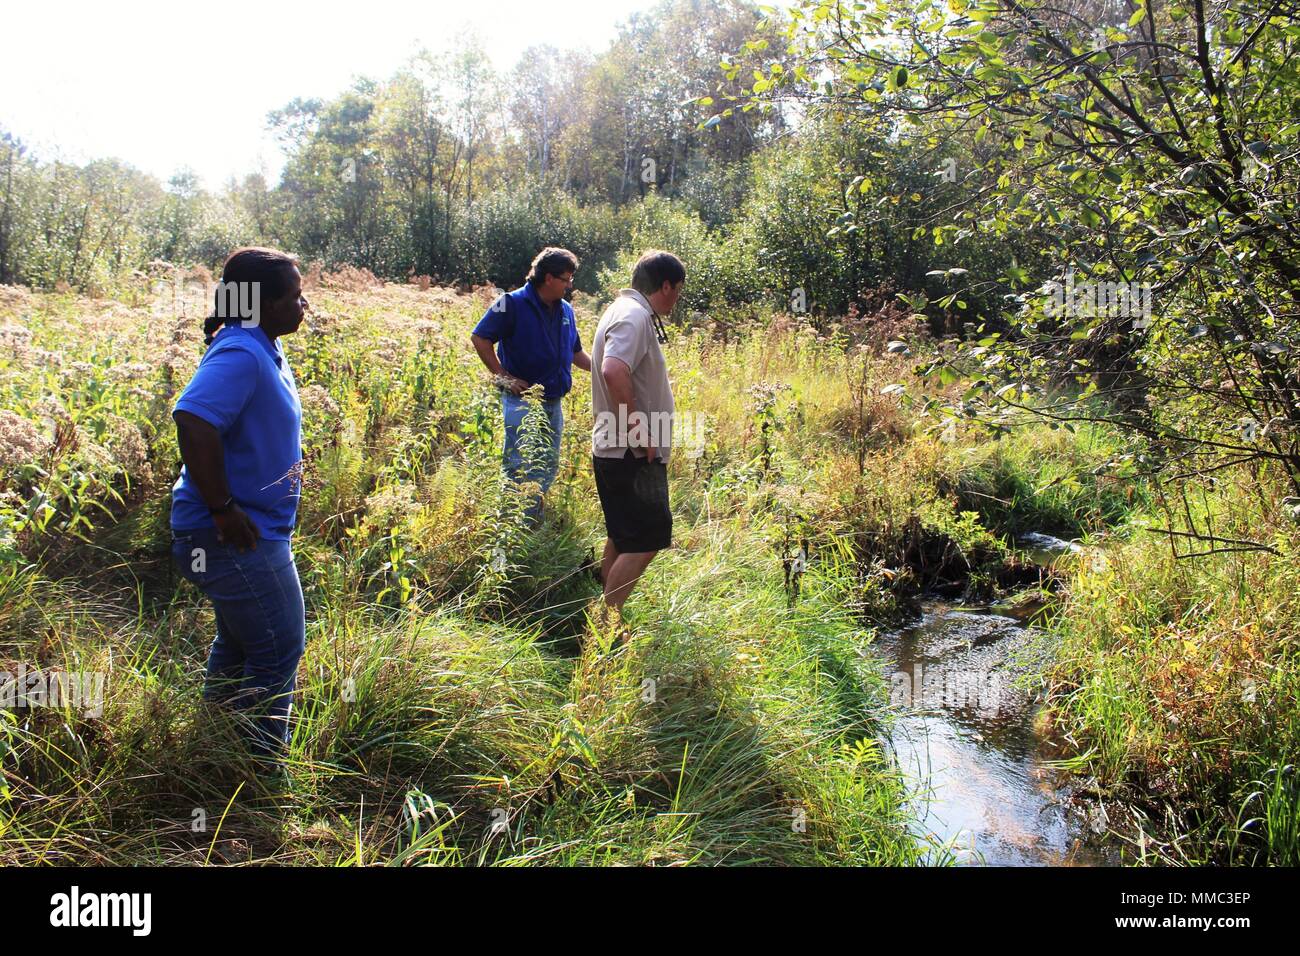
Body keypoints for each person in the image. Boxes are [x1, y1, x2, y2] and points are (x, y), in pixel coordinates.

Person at [169, 246, 308, 769]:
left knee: (240, 644)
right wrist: (224, 508)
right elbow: (194, 420)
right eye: (294, 296)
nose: (304, 305)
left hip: (242, 532)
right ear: (262, 303)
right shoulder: (241, 353)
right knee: (277, 649)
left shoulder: (260, 345)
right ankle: (257, 770)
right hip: (230, 536)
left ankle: (215, 752)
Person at [590, 250, 684, 623]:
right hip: (630, 451)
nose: (677, 298)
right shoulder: (633, 316)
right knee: (647, 540)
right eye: (677, 289)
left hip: (619, 447)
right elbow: (614, 371)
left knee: (622, 535)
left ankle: (607, 622)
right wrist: (638, 429)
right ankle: (606, 621)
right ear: (665, 286)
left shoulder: (624, 310)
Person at [470, 247, 592, 524]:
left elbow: (575, 354)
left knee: (547, 462)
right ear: (548, 278)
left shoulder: (566, 311)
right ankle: (509, 522)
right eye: (566, 279)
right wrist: (502, 376)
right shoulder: (510, 303)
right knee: (519, 463)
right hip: (522, 401)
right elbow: (480, 338)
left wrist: (604, 368)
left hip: (552, 401)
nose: (570, 285)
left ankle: (531, 519)